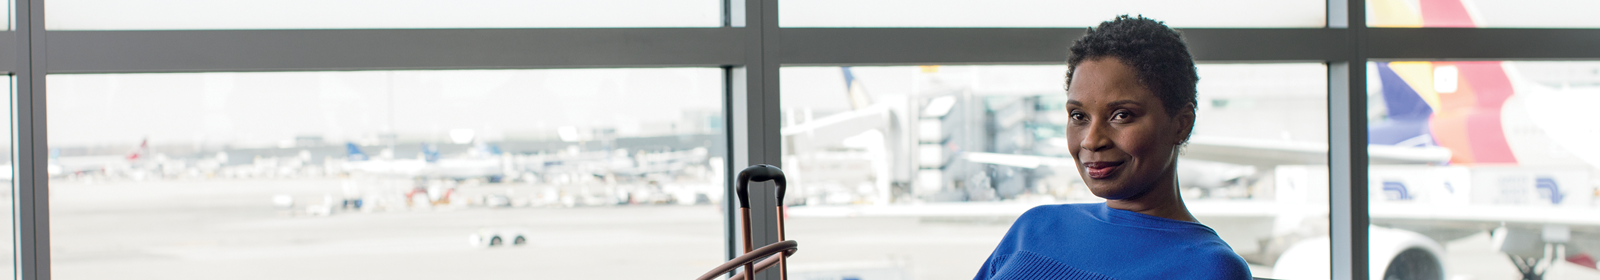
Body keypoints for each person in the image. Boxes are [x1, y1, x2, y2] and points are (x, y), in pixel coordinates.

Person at [972, 15, 1251, 280]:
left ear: (1181, 124)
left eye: (1121, 115)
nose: (1091, 140)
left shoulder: (1209, 267)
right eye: (1078, 116)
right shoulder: (1035, 226)